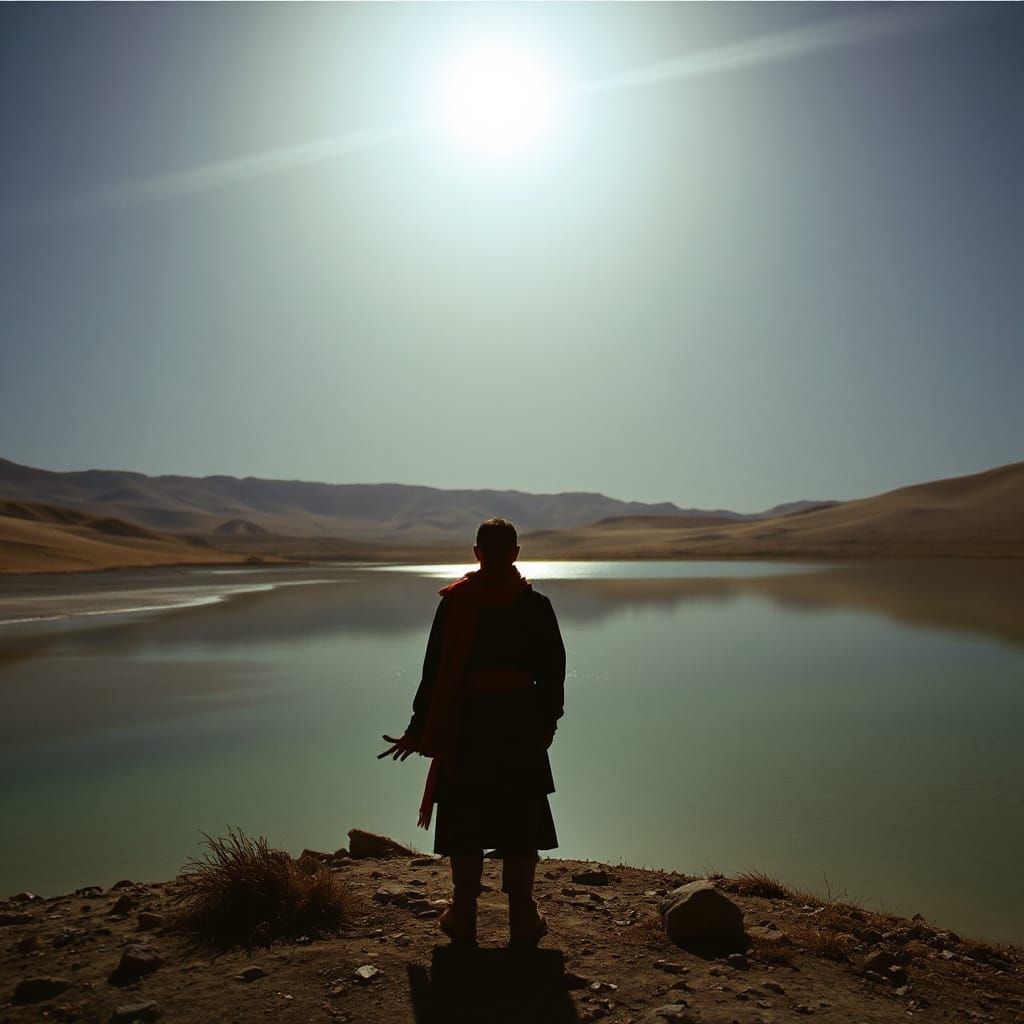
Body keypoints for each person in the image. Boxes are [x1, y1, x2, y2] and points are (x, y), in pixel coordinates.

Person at [379, 517, 566, 948]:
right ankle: (522, 917)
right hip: (520, 724)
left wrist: (418, 726)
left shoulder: (456, 604)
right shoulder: (535, 605)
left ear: (476, 552)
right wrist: (547, 722)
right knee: (521, 817)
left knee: (465, 815)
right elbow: (553, 673)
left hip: (467, 726)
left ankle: (463, 915)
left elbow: (434, 674)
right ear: (515, 553)